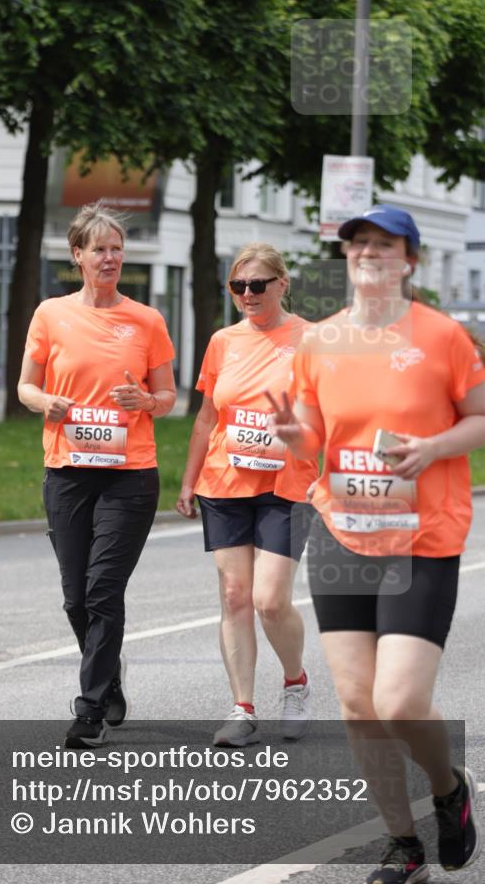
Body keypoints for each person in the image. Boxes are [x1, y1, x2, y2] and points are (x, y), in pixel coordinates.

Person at [267, 205, 485, 884]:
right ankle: (403, 846)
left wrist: (435, 447)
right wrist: (290, 437)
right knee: (358, 706)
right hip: (340, 534)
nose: (367, 252)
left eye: (383, 244)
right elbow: (311, 437)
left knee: (397, 700)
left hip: (421, 537)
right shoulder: (319, 342)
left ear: (408, 261)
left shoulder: (441, 337)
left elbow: (479, 417)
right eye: (357, 242)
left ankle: (448, 788)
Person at [18, 201, 176, 748]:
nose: (110, 258)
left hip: (129, 474)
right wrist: (47, 403)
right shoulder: (50, 314)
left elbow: (169, 397)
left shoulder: (147, 320)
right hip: (68, 470)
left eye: (117, 249)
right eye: (99, 249)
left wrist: (145, 400)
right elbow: (25, 386)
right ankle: (107, 673)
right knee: (75, 599)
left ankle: (88, 710)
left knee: (104, 591)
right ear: (78, 254)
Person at [176, 243, 318, 746]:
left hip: (288, 483)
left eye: (258, 285)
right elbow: (208, 417)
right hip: (225, 480)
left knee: (270, 599)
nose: (248, 295)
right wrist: (189, 480)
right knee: (235, 596)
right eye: (239, 286)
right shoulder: (222, 342)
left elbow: (335, 412)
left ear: (282, 284)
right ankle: (242, 708)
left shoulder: (312, 339)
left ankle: (296, 683)